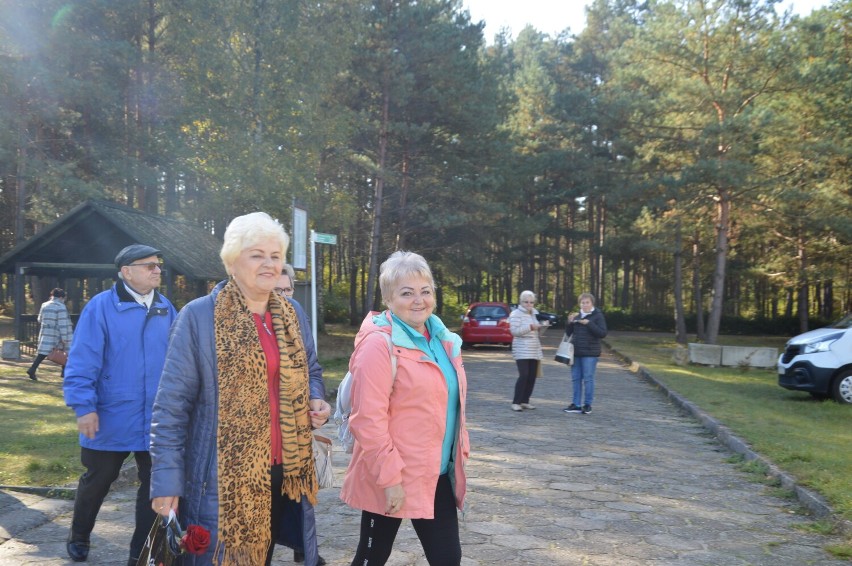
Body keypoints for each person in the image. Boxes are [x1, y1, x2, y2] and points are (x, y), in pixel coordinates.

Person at [149, 212, 331, 566]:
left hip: (285, 471)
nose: (269, 264)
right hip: (222, 479)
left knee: (259, 558)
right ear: (232, 261)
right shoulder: (199, 317)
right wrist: (166, 482)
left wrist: (316, 398)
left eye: (276, 255)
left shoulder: (292, 313)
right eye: (257, 254)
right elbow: (171, 406)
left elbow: (312, 369)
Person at [340, 250, 470, 566]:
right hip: (391, 475)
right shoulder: (378, 344)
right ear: (388, 298)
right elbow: (367, 420)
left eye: (425, 291)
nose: (418, 300)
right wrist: (390, 480)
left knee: (448, 559)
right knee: (372, 558)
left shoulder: (442, 340)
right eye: (407, 292)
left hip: (435, 473)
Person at [62, 244, 178, 565]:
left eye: (158, 265)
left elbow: (180, 362)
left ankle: (140, 552)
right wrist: (83, 407)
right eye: (149, 265)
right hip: (109, 415)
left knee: (154, 484)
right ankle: (79, 534)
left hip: (156, 418)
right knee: (98, 479)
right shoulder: (100, 308)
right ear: (126, 271)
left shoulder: (167, 308)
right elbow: (82, 362)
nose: (157, 270)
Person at [563, 292, 607, 415]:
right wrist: (569, 322)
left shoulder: (597, 315)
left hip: (590, 353)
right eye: (583, 303)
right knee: (576, 378)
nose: (585, 305)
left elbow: (602, 333)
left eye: (587, 302)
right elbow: (569, 333)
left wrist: (589, 323)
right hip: (576, 352)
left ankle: (587, 405)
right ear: (579, 304)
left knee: (588, 379)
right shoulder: (577, 315)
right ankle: (576, 404)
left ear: (592, 303)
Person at [508, 290, 547, 411]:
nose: (529, 304)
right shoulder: (515, 314)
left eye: (531, 302)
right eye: (526, 302)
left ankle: (525, 400)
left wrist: (543, 327)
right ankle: (516, 402)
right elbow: (514, 331)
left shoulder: (535, 313)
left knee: (531, 376)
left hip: (534, 348)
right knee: (523, 375)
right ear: (521, 302)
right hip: (521, 348)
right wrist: (530, 327)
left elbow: (538, 333)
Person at [27, 287, 74, 381]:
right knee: (66, 352)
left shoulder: (44, 305)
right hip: (58, 334)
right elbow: (62, 323)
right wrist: (65, 337)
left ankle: (32, 369)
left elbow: (39, 319)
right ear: (61, 297)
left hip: (46, 332)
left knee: (42, 353)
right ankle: (64, 373)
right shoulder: (60, 307)